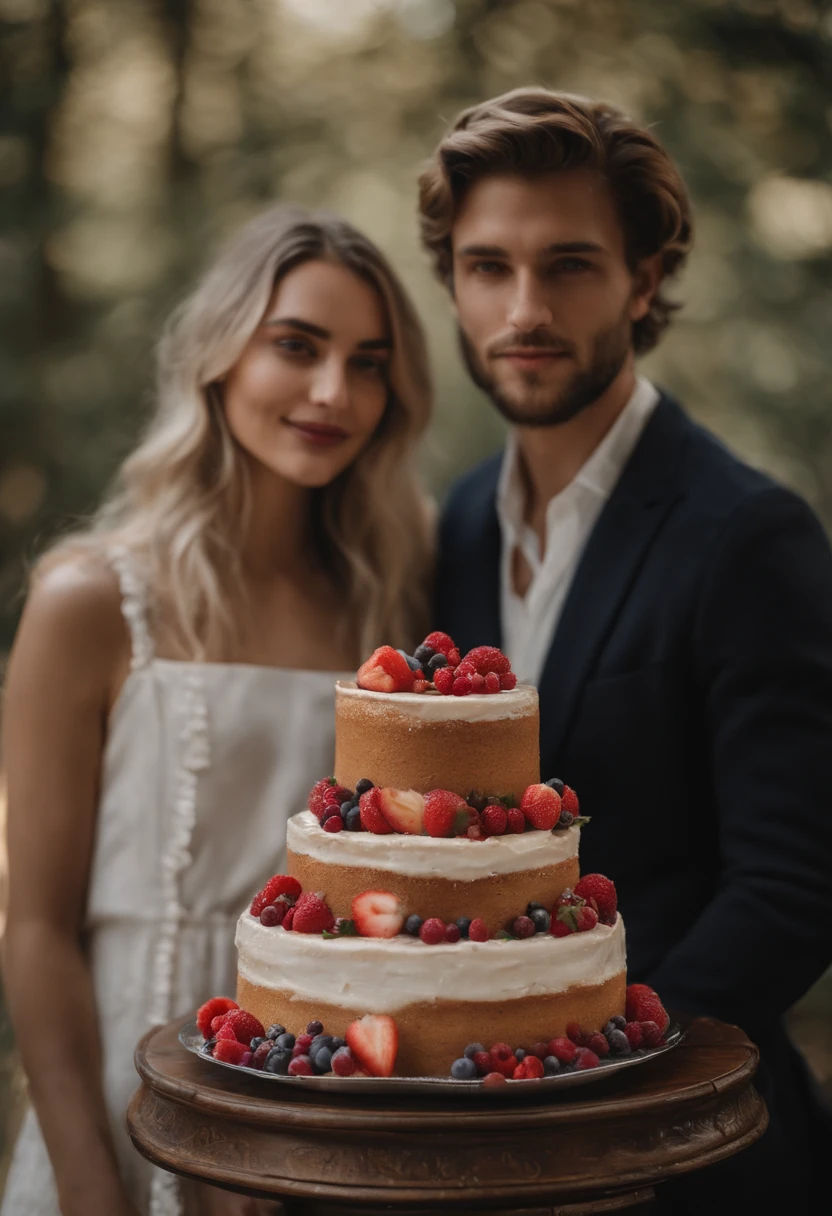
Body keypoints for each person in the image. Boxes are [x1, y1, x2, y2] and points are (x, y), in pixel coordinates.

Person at [424, 88, 832, 1212]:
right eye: (486, 267)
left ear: (643, 280)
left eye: (568, 265)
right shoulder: (452, 528)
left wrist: (592, 1085)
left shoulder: (749, 534)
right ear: (452, 283)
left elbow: (792, 890)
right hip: (466, 1146)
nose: (523, 308)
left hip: (691, 1157)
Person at [1, 205, 433, 1216]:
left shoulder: (388, 611)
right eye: (297, 345)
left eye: (368, 362)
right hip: (119, 1106)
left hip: (321, 1128)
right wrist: (87, 1178)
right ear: (219, 353)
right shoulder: (92, 598)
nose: (333, 391)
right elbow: (34, 931)